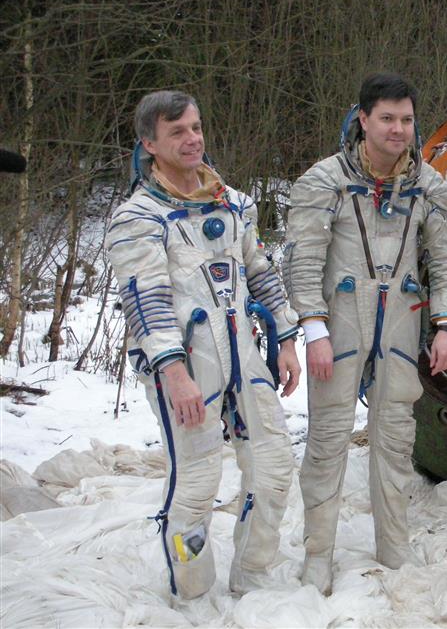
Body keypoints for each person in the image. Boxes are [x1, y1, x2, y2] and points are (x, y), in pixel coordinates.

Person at [106, 90, 301, 599]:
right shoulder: (139, 218)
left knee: (275, 466)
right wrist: (173, 373)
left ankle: (252, 578)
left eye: (195, 127)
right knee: (195, 482)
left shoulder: (233, 203)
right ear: (149, 143)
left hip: (243, 355)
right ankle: (192, 592)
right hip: (187, 365)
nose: (192, 139)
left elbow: (257, 269)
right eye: (177, 132)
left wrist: (285, 336)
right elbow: (145, 300)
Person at [284, 73, 447, 595]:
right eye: (387, 118)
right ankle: (318, 551)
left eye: (406, 120)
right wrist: (312, 326)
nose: (398, 129)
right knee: (328, 437)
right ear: (362, 120)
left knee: (396, 434)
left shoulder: (428, 185)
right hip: (341, 314)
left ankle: (394, 541)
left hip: (403, 314)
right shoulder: (325, 181)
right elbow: (302, 259)